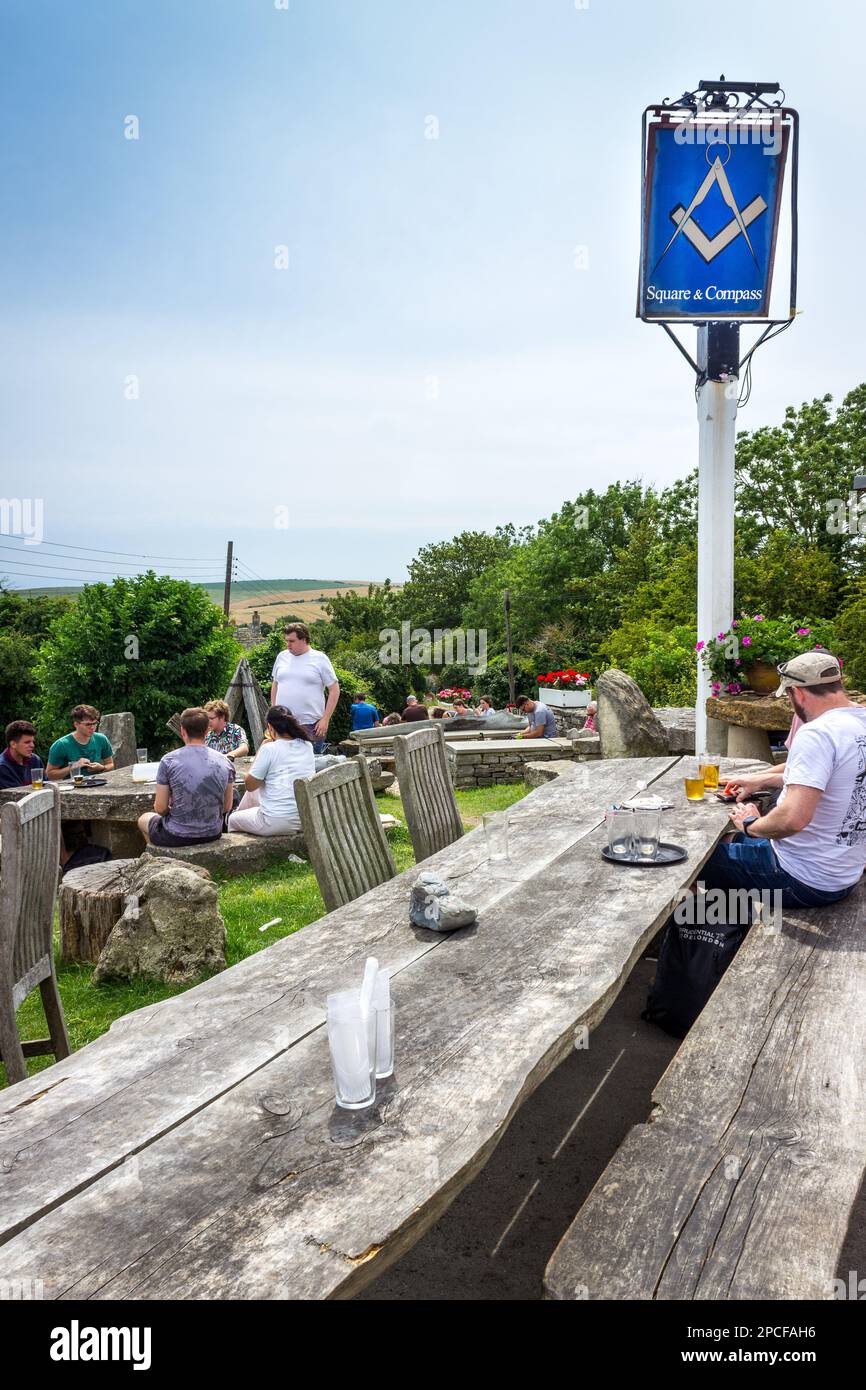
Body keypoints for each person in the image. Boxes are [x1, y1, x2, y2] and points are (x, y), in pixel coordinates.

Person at [701, 651, 866, 908]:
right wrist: (760, 780)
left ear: (797, 692)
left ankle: (709, 943)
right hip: (843, 873)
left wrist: (751, 824)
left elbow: (792, 819)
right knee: (726, 841)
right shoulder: (858, 722)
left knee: (695, 861)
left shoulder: (817, 733)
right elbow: (827, 775)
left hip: (801, 879)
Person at [138, 707, 235, 847]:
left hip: (177, 834)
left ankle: (158, 858)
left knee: (143, 819)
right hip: (213, 832)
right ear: (207, 731)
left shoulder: (168, 760)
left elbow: (160, 808)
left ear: (182, 730)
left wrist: (173, 808)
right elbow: (227, 806)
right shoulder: (225, 761)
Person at [228, 706, 315, 836]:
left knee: (232, 819)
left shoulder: (269, 749)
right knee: (256, 793)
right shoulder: (307, 746)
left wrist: (260, 750)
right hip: (304, 818)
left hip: (275, 821)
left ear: (270, 727)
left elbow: (250, 785)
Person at [270, 622, 340, 754]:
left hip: (310, 725)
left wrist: (325, 719)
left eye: (292, 641)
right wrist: (273, 715)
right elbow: (276, 684)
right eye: (287, 641)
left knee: (308, 769)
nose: (288, 645)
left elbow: (334, 689)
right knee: (282, 767)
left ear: (304, 640)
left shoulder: (320, 659)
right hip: (282, 723)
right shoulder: (282, 656)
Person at [46, 705, 115, 780]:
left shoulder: (101, 739)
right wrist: (73, 766)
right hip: (72, 787)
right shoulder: (61, 745)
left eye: (95, 723)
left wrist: (102, 768)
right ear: (76, 724)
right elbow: (49, 774)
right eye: (88, 724)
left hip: (97, 784)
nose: (92, 727)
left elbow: (110, 764)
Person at [0, 720, 44, 788]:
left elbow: (46, 785)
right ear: (13, 744)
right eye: (27, 742)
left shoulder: (35, 760)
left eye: (32, 741)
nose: (32, 745)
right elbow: (14, 796)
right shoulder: (2, 767)